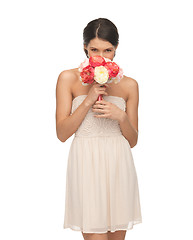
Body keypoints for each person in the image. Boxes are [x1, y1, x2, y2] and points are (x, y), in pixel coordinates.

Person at [55, 18, 142, 240]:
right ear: (85, 47)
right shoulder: (68, 78)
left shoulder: (130, 85)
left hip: (118, 163)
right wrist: (88, 100)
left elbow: (132, 140)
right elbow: (62, 134)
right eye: (94, 49)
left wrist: (121, 116)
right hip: (86, 163)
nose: (101, 57)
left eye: (108, 50)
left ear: (116, 49)